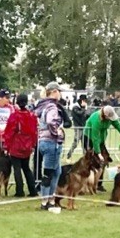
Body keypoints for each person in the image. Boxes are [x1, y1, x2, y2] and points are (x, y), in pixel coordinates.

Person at [34, 82, 67, 213]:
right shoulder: (52, 106)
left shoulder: (43, 105)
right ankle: (46, 201)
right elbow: (50, 121)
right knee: (49, 173)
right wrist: (57, 132)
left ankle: (50, 199)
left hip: (44, 141)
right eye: (59, 91)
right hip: (51, 142)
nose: (60, 94)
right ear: (54, 92)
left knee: (56, 171)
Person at [83, 104, 120, 193]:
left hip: (101, 140)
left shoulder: (109, 118)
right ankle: (86, 186)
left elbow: (116, 123)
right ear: (105, 115)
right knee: (91, 163)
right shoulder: (96, 120)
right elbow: (95, 138)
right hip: (89, 139)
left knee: (103, 162)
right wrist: (98, 153)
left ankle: (98, 185)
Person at [2, 93, 37, 197]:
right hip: (27, 145)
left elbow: (9, 132)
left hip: (16, 144)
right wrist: (33, 145)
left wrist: (6, 146)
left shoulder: (15, 116)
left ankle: (20, 191)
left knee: (17, 169)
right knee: (26, 168)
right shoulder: (32, 116)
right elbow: (34, 132)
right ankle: (33, 190)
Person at [66, 94, 89, 159]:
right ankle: (69, 154)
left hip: (83, 127)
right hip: (78, 128)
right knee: (76, 143)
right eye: (84, 101)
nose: (85, 102)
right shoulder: (75, 107)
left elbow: (85, 116)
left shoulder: (81, 108)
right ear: (82, 101)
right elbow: (80, 113)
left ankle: (85, 157)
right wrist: (84, 108)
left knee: (84, 143)